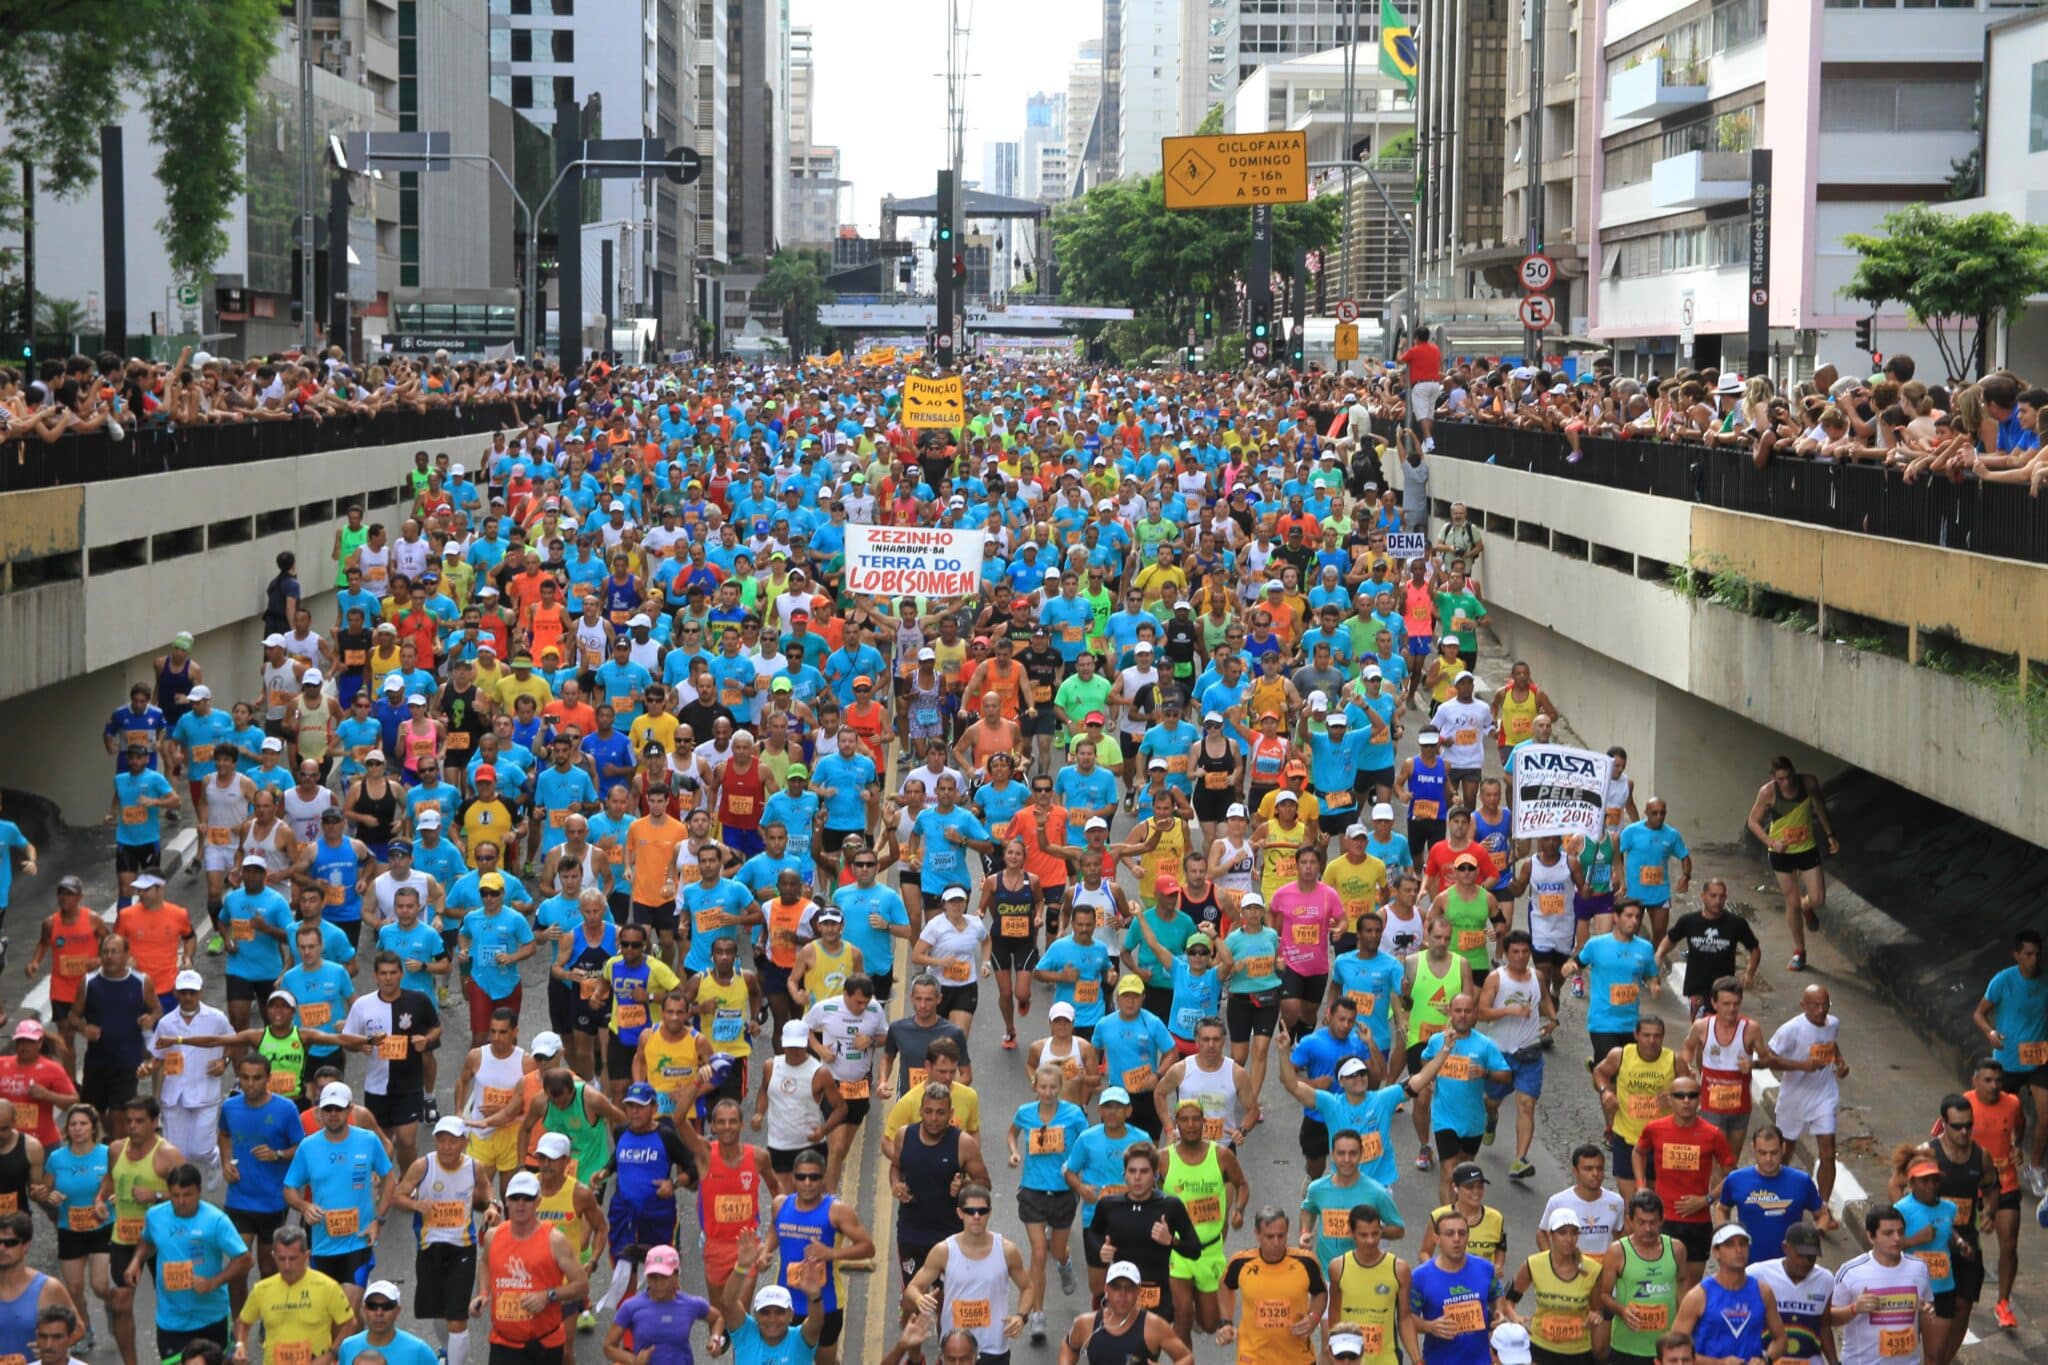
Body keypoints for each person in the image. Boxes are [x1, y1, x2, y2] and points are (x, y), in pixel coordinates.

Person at [384, 1115, 494, 1365]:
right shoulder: (423, 1166)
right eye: (441, 1140)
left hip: (462, 1247)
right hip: (429, 1246)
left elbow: (486, 1187)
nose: (446, 1147)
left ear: (464, 1143)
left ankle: (456, 1360)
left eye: (452, 1141)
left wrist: (493, 1205)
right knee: (438, 1311)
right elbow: (396, 1196)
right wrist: (415, 1204)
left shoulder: (474, 1167)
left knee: (457, 1317)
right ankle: (449, 1351)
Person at [282, 1080, 396, 1312]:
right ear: (320, 1111)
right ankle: (358, 1341)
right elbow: (289, 1189)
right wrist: (304, 1206)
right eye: (327, 1109)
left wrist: (378, 1220)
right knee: (332, 1314)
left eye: (338, 1109)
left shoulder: (367, 1140)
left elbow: (389, 1180)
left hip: (358, 1241)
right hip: (323, 1244)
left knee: (347, 1310)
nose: (333, 1114)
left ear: (350, 1109)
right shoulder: (308, 1146)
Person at [130, 1161, 253, 1363]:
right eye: (175, 1195)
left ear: (199, 1191)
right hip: (172, 1319)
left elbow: (245, 1260)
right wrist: (136, 1260)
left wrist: (213, 1282)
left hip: (210, 1315)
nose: (181, 1201)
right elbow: (147, 1240)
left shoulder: (216, 1220)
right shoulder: (155, 1216)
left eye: (187, 1195)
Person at [470, 1171, 591, 1365]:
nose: (520, 1203)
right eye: (515, 1197)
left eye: (527, 1198)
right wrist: (483, 1294)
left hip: (543, 1344)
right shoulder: (494, 1236)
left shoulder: (554, 1240)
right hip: (503, 1342)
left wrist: (548, 1296)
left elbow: (582, 1285)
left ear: (538, 1202)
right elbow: (485, 1263)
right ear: (506, 1201)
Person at [768, 1146, 874, 1365]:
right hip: (785, 1302)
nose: (808, 1182)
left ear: (823, 1178)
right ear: (794, 1178)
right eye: (802, 1177)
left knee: (825, 1361)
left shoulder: (837, 1211)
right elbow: (774, 1232)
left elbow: (867, 1247)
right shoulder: (780, 1204)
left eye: (814, 1177)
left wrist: (831, 1253)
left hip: (826, 1303)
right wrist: (763, 1252)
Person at [1008, 1063, 1090, 1342]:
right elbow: (1012, 1133)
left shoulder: (1074, 1114)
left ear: (1061, 1087)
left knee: (1056, 1249)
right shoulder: (1025, 1113)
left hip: (1064, 1191)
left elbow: (1086, 1141)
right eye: (1043, 1087)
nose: (1048, 1092)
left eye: (1053, 1087)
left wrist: (1076, 1166)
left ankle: (1065, 1263)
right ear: (1035, 1087)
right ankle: (1037, 1315)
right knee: (1039, 1252)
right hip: (1033, 1191)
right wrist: (1014, 1152)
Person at [903, 1181, 1031, 1358]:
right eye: (970, 1211)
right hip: (955, 1350)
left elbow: (1028, 1287)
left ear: (990, 1213)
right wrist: (919, 1298)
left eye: (982, 1211)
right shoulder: (944, 1251)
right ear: (960, 1213)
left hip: (993, 1349)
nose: (976, 1216)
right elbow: (912, 1288)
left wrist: (1021, 1317)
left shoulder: (1007, 1250)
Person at [1634, 1078, 1734, 1290]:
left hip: (1697, 1222)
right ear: (1670, 1099)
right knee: (1660, 1282)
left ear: (1700, 1100)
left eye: (1692, 1095)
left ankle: (1685, 1323)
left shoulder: (1713, 1134)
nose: (1686, 1100)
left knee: (1690, 1286)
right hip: (1664, 1219)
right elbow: (1638, 1152)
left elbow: (1731, 1175)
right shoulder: (1655, 1128)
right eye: (1679, 1096)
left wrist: (1707, 1200)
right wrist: (1641, 1185)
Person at [1971, 929, 2048, 1193]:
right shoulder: (2003, 981)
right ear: (2017, 956)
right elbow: (1979, 1014)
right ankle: (2007, 1159)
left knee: (2046, 1114)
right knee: (2013, 1118)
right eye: (2028, 954)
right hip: (2008, 1060)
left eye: (2037, 954)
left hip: (2040, 1059)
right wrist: (1990, 1033)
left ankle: (2036, 1167)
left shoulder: (2046, 981)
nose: (2034, 960)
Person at [1766, 986, 1849, 1228]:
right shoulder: (1791, 1029)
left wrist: (1841, 1063)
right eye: (1815, 1005)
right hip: (1794, 1097)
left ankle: (1822, 1208)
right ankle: (1776, 1196)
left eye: (1825, 1004)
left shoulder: (1833, 1023)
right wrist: (1802, 1065)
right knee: (1786, 1149)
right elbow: (1769, 1058)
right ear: (1803, 1005)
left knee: (1827, 1151)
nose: (1821, 1010)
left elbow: (1832, 1044)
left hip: (1824, 1095)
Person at [1743, 760, 1838, 973]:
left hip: (1806, 849)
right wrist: (1771, 843)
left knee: (1817, 899)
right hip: (1781, 853)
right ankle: (1799, 951)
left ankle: (1807, 908)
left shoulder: (1809, 783)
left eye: (1789, 777)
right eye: (1781, 779)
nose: (1786, 783)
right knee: (1791, 902)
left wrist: (1830, 834)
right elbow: (1752, 822)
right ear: (1773, 778)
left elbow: (1819, 806)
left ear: (1795, 773)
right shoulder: (1768, 793)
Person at [1217, 1206, 1328, 1363]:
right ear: (1257, 1234)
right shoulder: (1240, 1263)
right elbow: (1225, 1287)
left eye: (1281, 1236)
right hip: (1253, 1357)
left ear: (1287, 1231)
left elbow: (1320, 1293)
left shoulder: (1306, 1262)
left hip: (1297, 1358)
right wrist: (1226, 1322)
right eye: (1269, 1237)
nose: (1276, 1243)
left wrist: (1314, 1317)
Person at [1594, 1015, 1687, 1200]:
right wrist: (1605, 1092)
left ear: (1663, 1036)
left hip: (1660, 1142)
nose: (1651, 1041)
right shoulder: (1621, 1055)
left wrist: (1676, 1099)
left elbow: (1692, 1091)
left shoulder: (1674, 1061)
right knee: (1632, 1208)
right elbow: (1599, 1072)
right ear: (1636, 1035)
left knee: (1653, 1205)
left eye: (1657, 1036)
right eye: (1646, 1035)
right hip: (1626, 1138)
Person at [1827, 1205, 1934, 1365]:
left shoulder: (1919, 1268)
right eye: (1888, 1233)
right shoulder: (1850, 1271)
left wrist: (1927, 1312)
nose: (1897, 1238)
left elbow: (1927, 1312)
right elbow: (1826, 1318)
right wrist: (1854, 1308)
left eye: (1900, 1231)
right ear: (1870, 1236)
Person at [233, 1225, 354, 1365]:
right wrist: (240, 1345)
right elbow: (243, 1322)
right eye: (281, 1259)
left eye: (293, 1258)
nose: (287, 1265)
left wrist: (331, 1354)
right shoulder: (262, 1289)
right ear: (273, 1256)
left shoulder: (327, 1287)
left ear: (306, 1256)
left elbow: (349, 1323)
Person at [1672, 1225, 1784, 1365]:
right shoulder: (1698, 1296)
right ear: (1716, 1251)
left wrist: (1766, 1360)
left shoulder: (1763, 1292)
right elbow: (1674, 1350)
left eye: (1743, 1244)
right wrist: (1718, 1363)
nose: (1738, 1250)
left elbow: (1780, 1339)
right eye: (1730, 1245)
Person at [1504, 1208, 1603, 1365]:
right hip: (1540, 1348)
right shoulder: (1534, 1264)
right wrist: (1514, 1317)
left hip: (1578, 1352)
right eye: (1562, 1233)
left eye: (1574, 1233)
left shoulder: (1592, 1269)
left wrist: (1595, 1317)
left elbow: (1597, 1309)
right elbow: (1509, 1299)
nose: (1569, 1239)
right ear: (1551, 1235)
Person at [1599, 1192, 1687, 1365]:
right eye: (1641, 1222)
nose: (1648, 1229)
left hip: (1665, 1348)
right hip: (1626, 1347)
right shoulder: (1617, 1252)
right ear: (1630, 1221)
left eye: (1653, 1222)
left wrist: (1682, 1327)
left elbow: (1683, 1284)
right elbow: (1604, 1295)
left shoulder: (1676, 1249)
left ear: (1662, 1220)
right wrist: (1622, 1311)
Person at [1403, 1206, 1499, 1365]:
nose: (1456, 1239)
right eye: (1449, 1234)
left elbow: (1497, 1295)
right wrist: (1429, 1326)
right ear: (1437, 1239)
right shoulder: (1420, 1277)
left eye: (1462, 1233)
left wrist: (1499, 1314)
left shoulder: (1485, 1268)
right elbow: (1406, 1319)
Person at [1055, 1259, 1197, 1365]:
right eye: (1116, 1287)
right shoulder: (1086, 1324)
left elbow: (1186, 1358)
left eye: (1129, 1288)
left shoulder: (1154, 1326)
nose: (1122, 1294)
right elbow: (1069, 1347)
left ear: (1138, 1291)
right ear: (1106, 1289)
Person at [1716, 1127, 1824, 1265]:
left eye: (1774, 1153)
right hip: (1748, 1267)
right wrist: (1725, 1237)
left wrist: (1813, 1237)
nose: (1768, 1159)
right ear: (1753, 1149)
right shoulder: (1736, 1180)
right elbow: (1722, 1209)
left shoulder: (1801, 1181)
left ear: (1783, 1148)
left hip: (1790, 1268)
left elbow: (1822, 1215)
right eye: (1762, 1153)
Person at [606, 1244, 721, 1365]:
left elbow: (717, 1318)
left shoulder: (691, 1305)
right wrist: (633, 1360)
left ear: (676, 1275)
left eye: (664, 1277)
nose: (658, 1283)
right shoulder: (631, 1307)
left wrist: (715, 1339)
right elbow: (608, 1347)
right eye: (653, 1277)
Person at [1749, 1222, 1837, 1365]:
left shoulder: (1825, 1280)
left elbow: (1824, 1326)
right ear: (1785, 1248)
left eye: (1811, 1256)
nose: (1805, 1262)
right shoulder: (1756, 1275)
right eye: (1800, 1255)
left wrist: (1834, 1362)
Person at [337, 1278, 441, 1365]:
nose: (379, 1313)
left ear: (398, 1310)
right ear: (364, 1309)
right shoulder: (348, 1346)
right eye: (372, 1306)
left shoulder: (419, 1351)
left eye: (387, 1306)